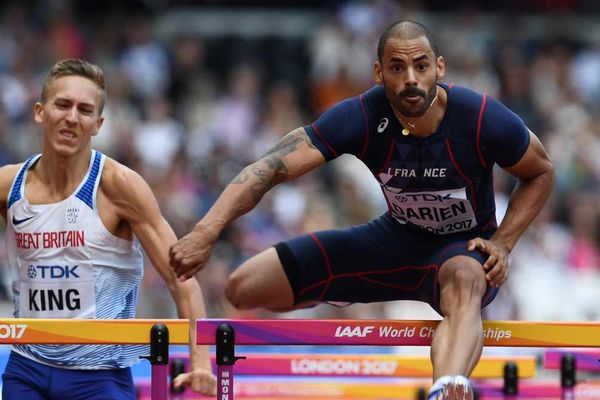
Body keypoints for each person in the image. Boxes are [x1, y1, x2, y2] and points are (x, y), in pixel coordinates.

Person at [170, 20, 555, 399]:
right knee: (244, 287)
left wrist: (502, 243)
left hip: (461, 252)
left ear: (439, 67)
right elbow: (267, 169)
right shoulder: (360, 116)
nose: (410, 79)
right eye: (397, 67)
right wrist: (206, 231)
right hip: (394, 241)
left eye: (421, 66)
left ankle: (448, 389)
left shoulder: (480, 116)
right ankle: (335, 288)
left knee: (465, 278)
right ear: (378, 72)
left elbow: (540, 172)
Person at [0, 59, 216, 399]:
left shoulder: (119, 186)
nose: (72, 117)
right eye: (63, 105)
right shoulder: (8, 186)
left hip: (98, 376)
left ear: (98, 124)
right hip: (27, 367)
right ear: (40, 111)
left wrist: (200, 361)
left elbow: (182, 280)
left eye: (85, 110)